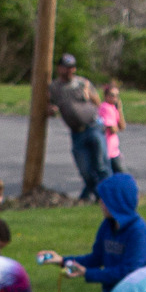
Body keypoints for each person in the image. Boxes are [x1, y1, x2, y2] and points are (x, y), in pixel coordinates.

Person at [48, 54, 110, 202]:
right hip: (77, 132)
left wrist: (89, 95)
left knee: (101, 165)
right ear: (59, 68)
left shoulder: (82, 83)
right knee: (85, 170)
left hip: (93, 126)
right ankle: (96, 195)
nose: (69, 71)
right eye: (66, 68)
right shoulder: (55, 87)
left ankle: (108, 198)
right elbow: (48, 105)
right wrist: (51, 109)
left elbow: (97, 102)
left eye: (72, 68)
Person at [98, 82, 126, 174]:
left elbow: (122, 126)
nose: (115, 98)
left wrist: (120, 109)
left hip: (114, 151)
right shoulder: (106, 108)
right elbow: (113, 130)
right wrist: (116, 127)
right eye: (112, 95)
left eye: (117, 96)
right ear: (106, 96)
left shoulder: (113, 108)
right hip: (108, 151)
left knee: (118, 176)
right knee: (122, 176)